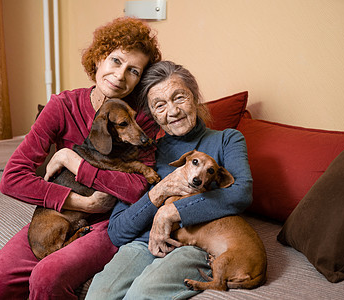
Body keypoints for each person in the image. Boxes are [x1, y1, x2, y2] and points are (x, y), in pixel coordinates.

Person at [0, 17, 161, 299]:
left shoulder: (140, 121)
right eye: (115, 61)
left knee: (46, 279)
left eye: (133, 70)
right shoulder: (62, 106)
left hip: (109, 225)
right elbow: (12, 179)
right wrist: (81, 202)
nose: (120, 75)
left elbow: (138, 189)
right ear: (98, 60)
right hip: (61, 214)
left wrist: (73, 161)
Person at [85, 61, 253, 300]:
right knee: (99, 295)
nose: (172, 111)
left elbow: (241, 193)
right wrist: (158, 192)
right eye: (160, 105)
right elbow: (117, 231)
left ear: (195, 98)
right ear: (152, 115)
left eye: (179, 97)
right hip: (143, 242)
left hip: (198, 244)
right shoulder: (144, 154)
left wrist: (171, 212)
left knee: (141, 295)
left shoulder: (227, 140)